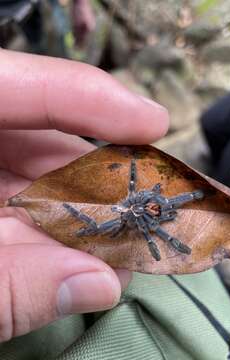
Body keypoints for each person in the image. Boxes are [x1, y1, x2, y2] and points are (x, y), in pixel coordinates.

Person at [0, 48, 168, 342]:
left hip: (141, 209)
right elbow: (133, 192)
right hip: (138, 206)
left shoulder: (136, 213)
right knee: (108, 219)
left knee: (112, 221)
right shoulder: (132, 206)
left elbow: (137, 199)